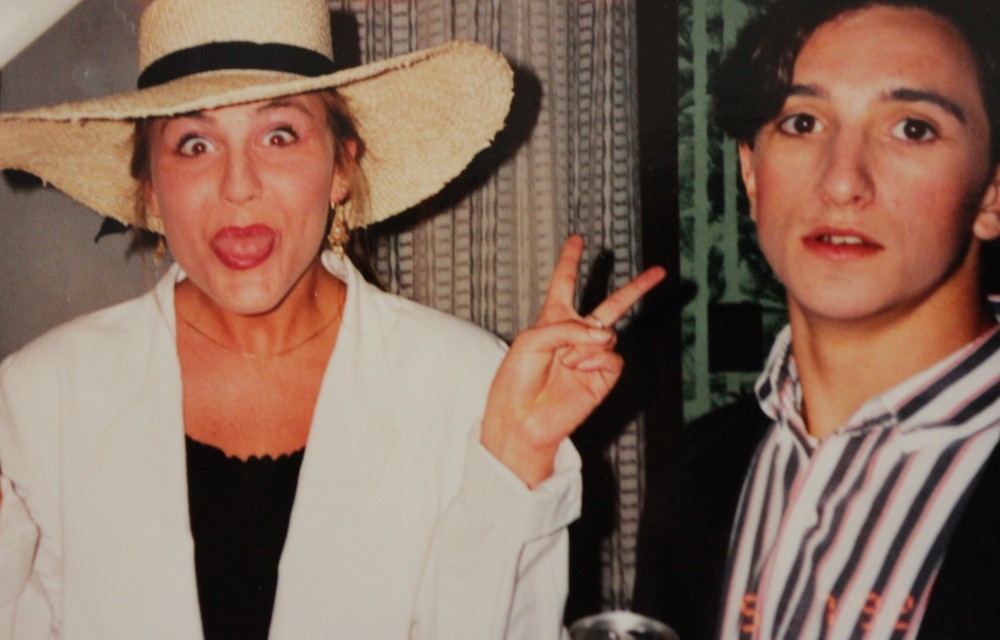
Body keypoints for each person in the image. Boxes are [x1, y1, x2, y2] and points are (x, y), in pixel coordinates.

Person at [0, 0, 665, 638]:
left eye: (279, 135)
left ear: (342, 166)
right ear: (149, 187)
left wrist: (515, 461)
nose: (238, 186)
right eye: (195, 145)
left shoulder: (470, 388)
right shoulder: (40, 398)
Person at [633, 0, 1000, 638]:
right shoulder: (697, 476)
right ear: (751, 173)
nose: (841, 181)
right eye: (802, 122)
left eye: (912, 128)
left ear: (992, 194)